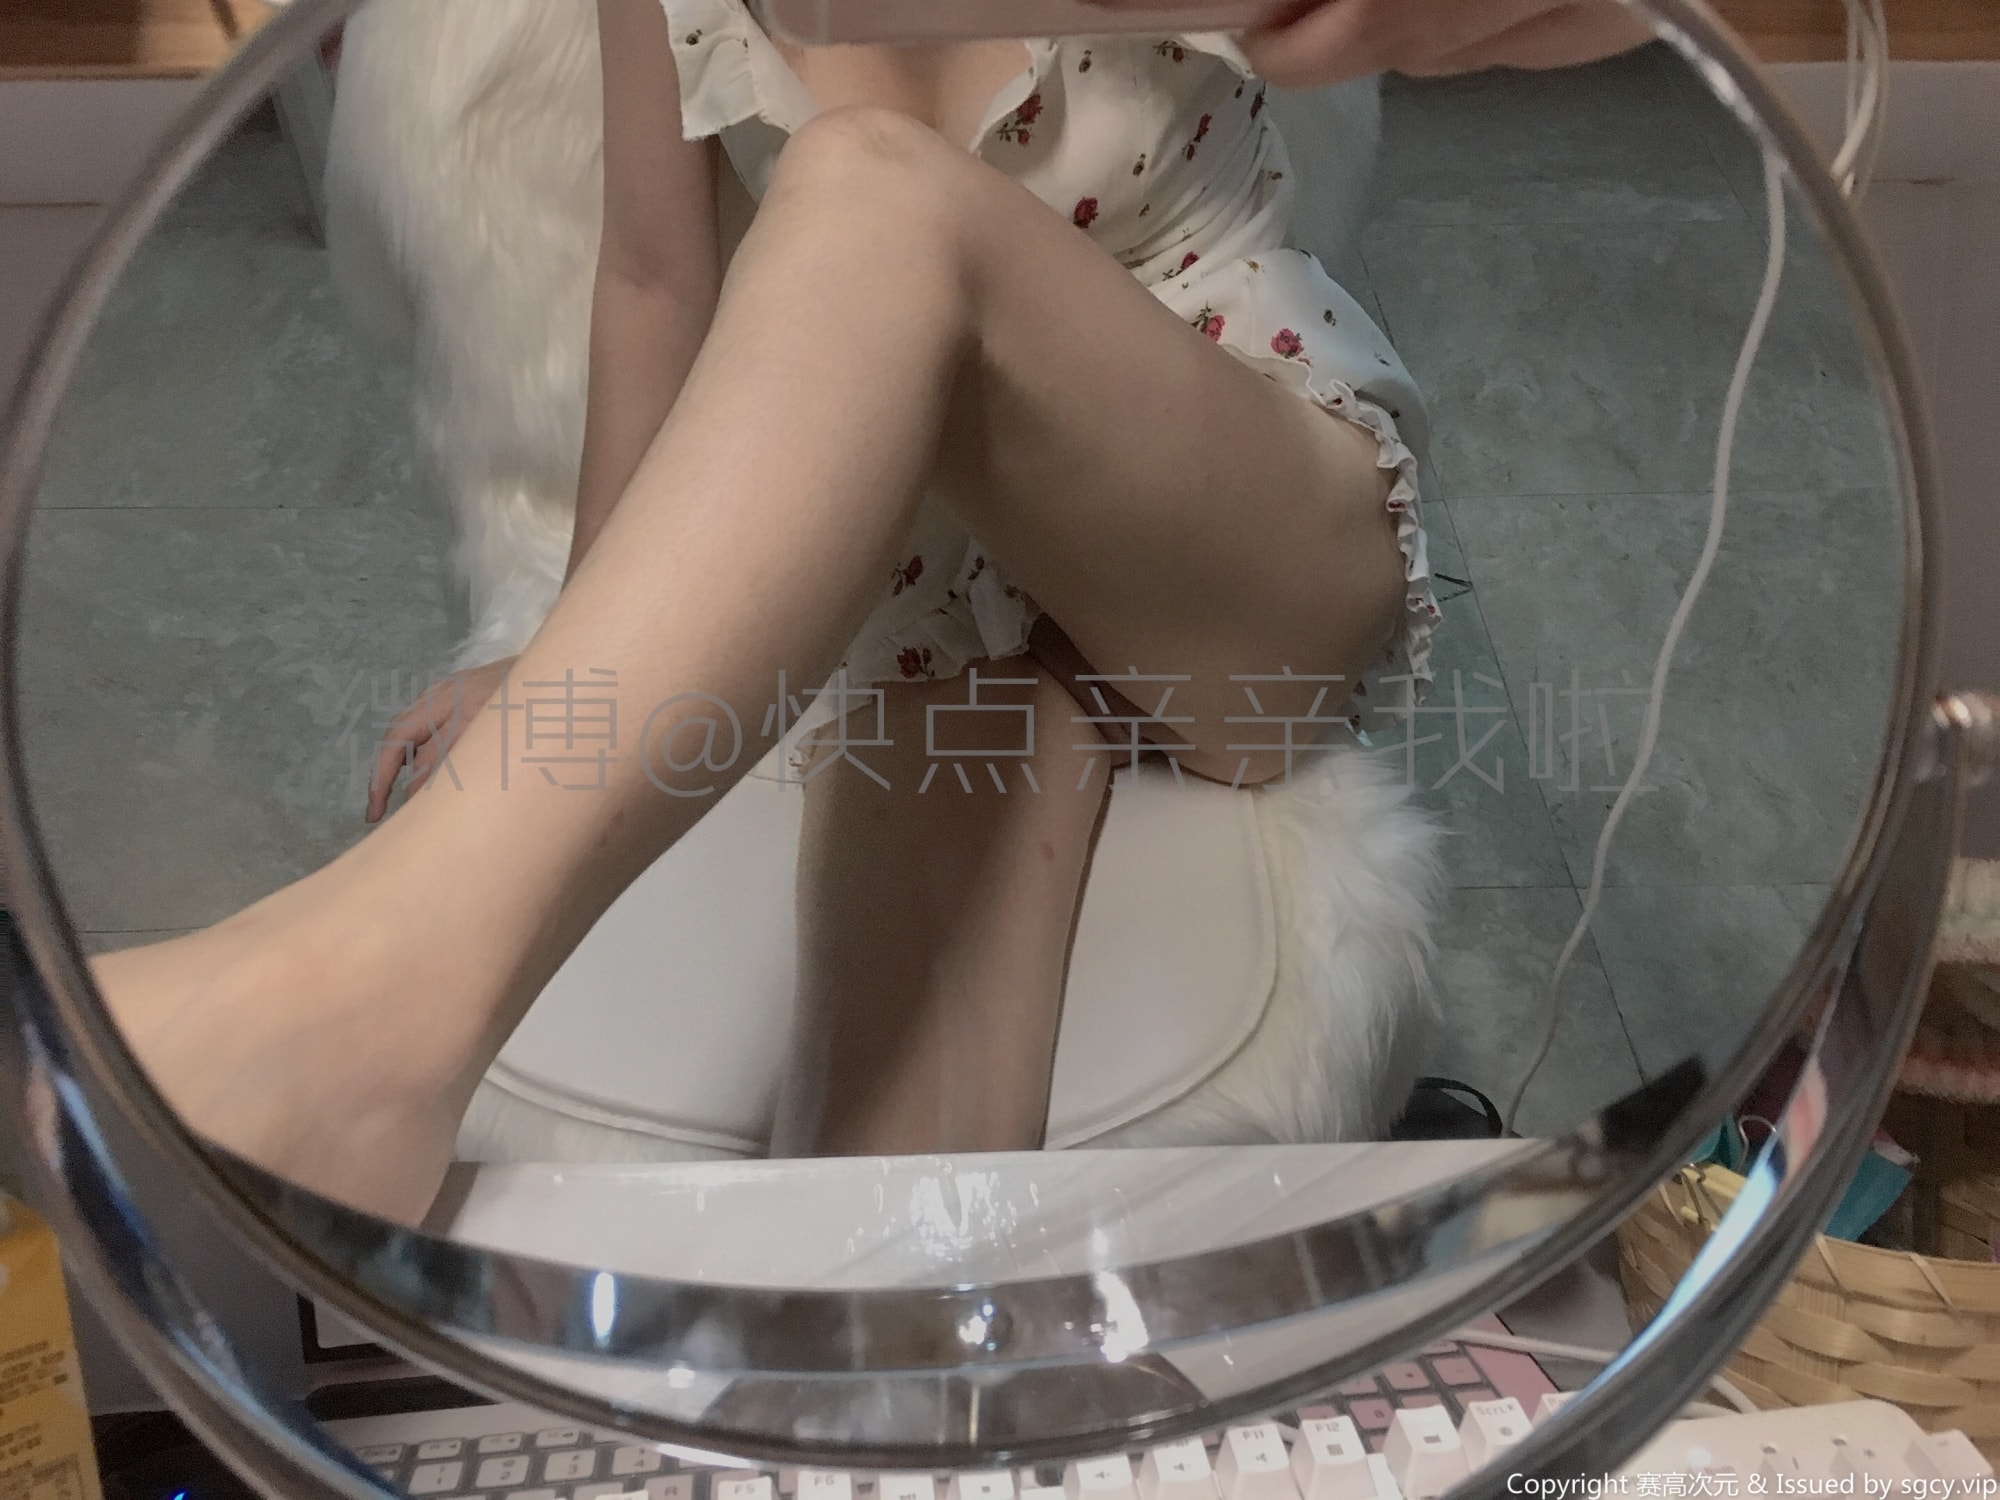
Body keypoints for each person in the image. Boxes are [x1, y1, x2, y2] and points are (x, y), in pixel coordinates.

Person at [92, 0, 1653, 1226]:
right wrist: (561, 653)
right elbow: (651, 285)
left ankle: (364, 1008)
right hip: (927, 585)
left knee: (865, 188)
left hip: (1229, 524)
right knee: (876, 1213)